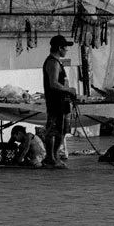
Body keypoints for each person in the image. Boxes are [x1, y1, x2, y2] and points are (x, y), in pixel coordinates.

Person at [42, 33, 78, 168]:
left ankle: (55, 155)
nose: (66, 50)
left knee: (61, 131)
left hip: (63, 102)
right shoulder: (52, 62)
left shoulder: (58, 62)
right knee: (52, 130)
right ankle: (50, 157)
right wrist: (69, 90)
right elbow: (53, 83)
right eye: (65, 47)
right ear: (59, 48)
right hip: (55, 102)